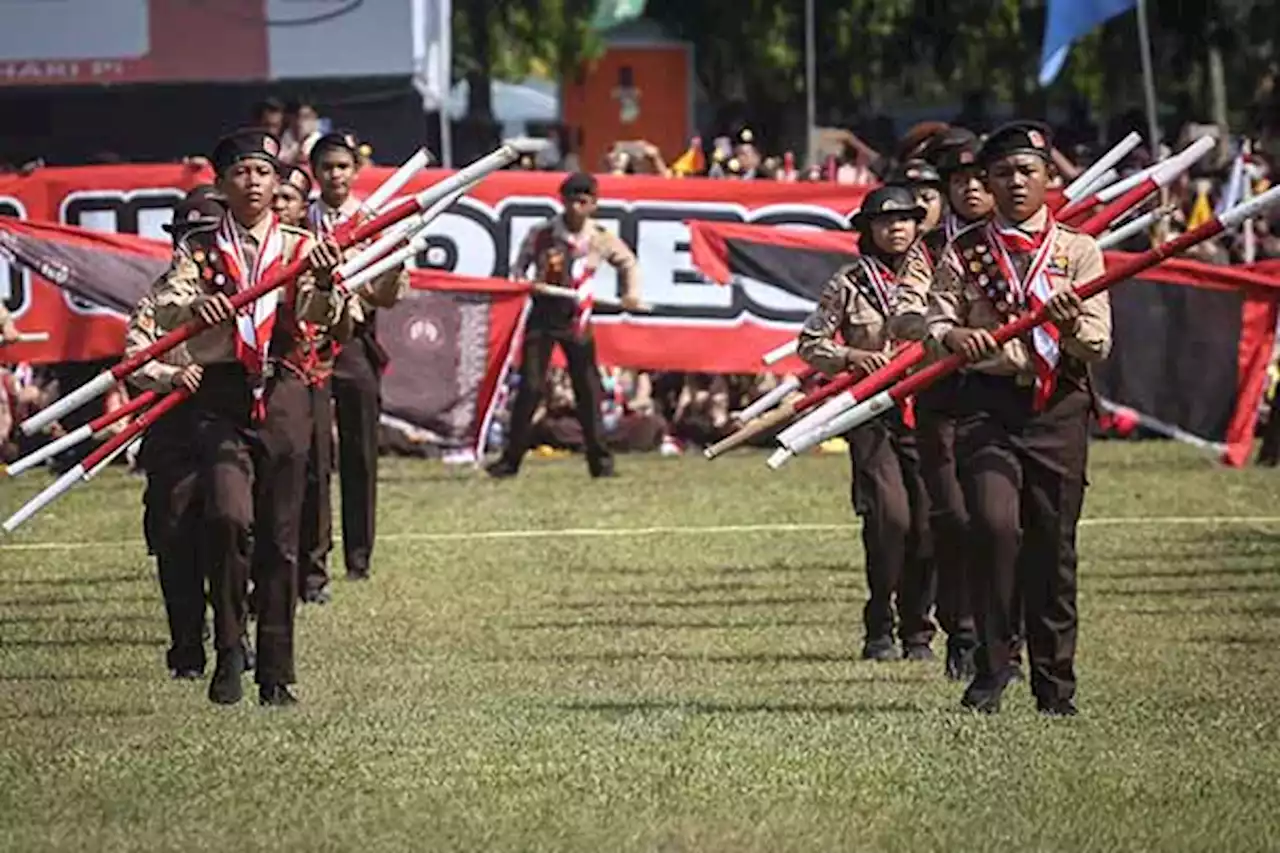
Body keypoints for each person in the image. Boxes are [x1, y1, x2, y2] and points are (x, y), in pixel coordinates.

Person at [152, 128, 349, 707]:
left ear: (278, 181)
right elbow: (163, 307)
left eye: (264, 172)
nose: (254, 183)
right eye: (241, 172)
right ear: (220, 183)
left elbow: (324, 317)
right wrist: (195, 305)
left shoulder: (297, 245)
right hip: (221, 398)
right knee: (226, 518)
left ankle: (277, 670)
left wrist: (320, 280)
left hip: (284, 392)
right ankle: (230, 644)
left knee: (281, 537)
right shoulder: (201, 249)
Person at [925, 121, 1112, 716]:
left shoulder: (1078, 251)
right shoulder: (966, 252)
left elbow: (1098, 344)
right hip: (988, 408)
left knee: (1053, 547)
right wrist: (956, 335)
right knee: (993, 527)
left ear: (1049, 178)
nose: (1014, 183)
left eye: (1026, 171)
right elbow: (933, 327)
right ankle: (991, 666)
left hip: (1058, 409)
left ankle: (1054, 683)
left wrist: (1068, 322)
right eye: (1001, 173)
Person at [798, 185, 934, 662]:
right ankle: (880, 623)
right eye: (883, 220)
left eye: (904, 219)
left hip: (931, 410)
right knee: (889, 518)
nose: (895, 228)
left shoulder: (942, 277)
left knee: (927, 524)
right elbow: (810, 343)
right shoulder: (850, 282)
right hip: (872, 413)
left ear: (919, 225)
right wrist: (855, 356)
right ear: (868, 230)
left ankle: (919, 629)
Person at [891, 127, 994, 681]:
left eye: (982, 177)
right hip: (944, 396)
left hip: (1010, 397)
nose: (971, 189)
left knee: (1005, 523)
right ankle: (962, 630)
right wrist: (945, 331)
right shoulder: (930, 251)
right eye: (960, 180)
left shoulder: (1030, 243)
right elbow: (904, 316)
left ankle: (1003, 636)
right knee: (952, 516)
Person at [128, 186, 226, 679]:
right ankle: (186, 647)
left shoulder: (244, 290)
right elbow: (134, 358)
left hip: (229, 422)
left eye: (205, 235)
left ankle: (235, 638)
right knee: (174, 535)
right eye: (187, 236)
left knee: (233, 531)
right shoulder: (157, 297)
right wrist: (170, 376)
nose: (195, 246)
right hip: (173, 427)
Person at [486, 172, 642, 479]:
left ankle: (601, 462)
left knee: (587, 387)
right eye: (570, 200)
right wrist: (524, 282)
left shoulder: (600, 237)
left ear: (594, 204)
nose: (575, 208)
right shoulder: (543, 234)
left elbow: (628, 262)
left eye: (583, 202)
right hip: (544, 312)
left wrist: (630, 295)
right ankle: (510, 460)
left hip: (576, 316)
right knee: (530, 386)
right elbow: (519, 266)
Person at [307, 130, 409, 583]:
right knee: (312, 453)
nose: (335, 175)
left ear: (355, 171)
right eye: (327, 167)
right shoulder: (301, 219)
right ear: (315, 173)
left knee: (361, 451)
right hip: (308, 341)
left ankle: (359, 558)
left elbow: (390, 292)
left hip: (357, 341)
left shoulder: (372, 219)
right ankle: (313, 561)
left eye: (343, 167)